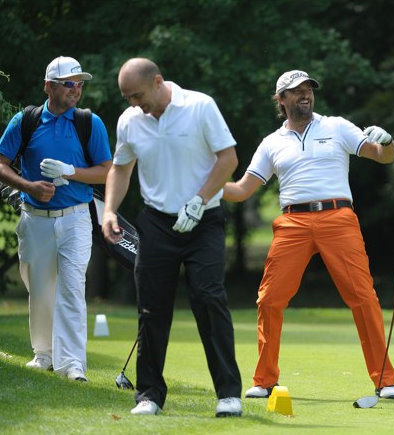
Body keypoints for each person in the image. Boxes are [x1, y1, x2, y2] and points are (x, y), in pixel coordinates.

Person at [223, 70, 394, 400]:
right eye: (296, 90)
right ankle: (264, 380)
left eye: (308, 89)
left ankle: (385, 380)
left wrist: (388, 142)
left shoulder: (337, 126)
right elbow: (242, 190)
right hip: (293, 223)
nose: (305, 94)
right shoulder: (272, 143)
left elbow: (383, 156)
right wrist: (208, 186)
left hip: (338, 218)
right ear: (281, 99)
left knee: (363, 297)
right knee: (269, 299)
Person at [101, 58, 242, 417]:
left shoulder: (200, 106)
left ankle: (228, 394)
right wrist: (109, 210)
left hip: (204, 220)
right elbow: (120, 168)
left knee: (208, 298)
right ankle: (149, 394)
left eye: (138, 95)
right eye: (128, 98)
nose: (135, 104)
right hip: (157, 224)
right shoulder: (129, 121)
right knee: (151, 307)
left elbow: (228, 159)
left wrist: (199, 200)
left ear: (158, 81)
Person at [0, 56, 112, 382]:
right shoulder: (26, 121)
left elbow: (107, 172)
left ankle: (73, 363)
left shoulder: (89, 122)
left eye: (80, 84)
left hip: (76, 217)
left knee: (72, 288)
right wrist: (28, 186)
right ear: (48, 86)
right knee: (39, 289)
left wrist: (71, 172)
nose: (76, 90)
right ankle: (44, 354)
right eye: (69, 84)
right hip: (34, 218)